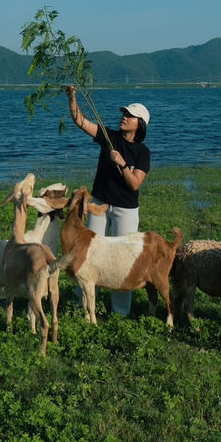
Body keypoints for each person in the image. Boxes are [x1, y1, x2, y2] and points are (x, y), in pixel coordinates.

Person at [65, 85, 151, 315]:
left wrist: (122, 163)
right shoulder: (108, 136)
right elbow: (80, 121)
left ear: (139, 124)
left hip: (126, 210)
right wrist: (72, 97)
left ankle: (120, 312)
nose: (124, 117)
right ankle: (81, 305)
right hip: (99, 205)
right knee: (87, 254)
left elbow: (135, 184)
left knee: (123, 261)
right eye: (124, 114)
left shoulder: (143, 152)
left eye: (130, 116)